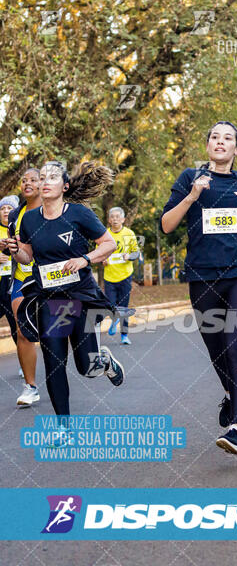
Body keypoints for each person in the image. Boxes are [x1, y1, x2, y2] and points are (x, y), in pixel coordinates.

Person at [161, 121, 237, 455]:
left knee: (234, 345)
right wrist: (193, 196)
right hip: (201, 275)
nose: (220, 142)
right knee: (216, 351)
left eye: (227, 138)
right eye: (214, 137)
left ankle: (235, 428)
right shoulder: (189, 178)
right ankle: (229, 393)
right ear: (208, 145)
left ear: (236, 149)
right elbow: (167, 225)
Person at [7, 160, 125, 426]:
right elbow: (27, 258)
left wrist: (85, 259)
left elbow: (109, 244)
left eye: (52, 178)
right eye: (42, 178)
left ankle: (104, 361)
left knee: (87, 367)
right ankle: (63, 426)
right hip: (50, 300)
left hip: (80, 298)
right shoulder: (29, 219)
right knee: (54, 363)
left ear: (65, 186)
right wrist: (15, 249)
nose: (45, 182)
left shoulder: (78, 215)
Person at [3, 169, 42, 406]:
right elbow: (14, 248)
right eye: (24, 180)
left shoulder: (53, 209)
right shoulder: (15, 215)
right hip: (22, 279)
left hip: (51, 280)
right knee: (22, 331)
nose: (27, 183)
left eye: (33, 180)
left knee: (55, 334)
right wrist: (6, 247)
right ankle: (30, 387)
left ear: (42, 184)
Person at [103, 207, 140, 345]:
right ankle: (114, 319)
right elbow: (99, 252)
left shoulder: (129, 234)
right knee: (110, 305)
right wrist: (103, 259)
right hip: (109, 277)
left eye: (118, 217)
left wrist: (129, 255)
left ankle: (124, 336)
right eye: (112, 217)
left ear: (123, 219)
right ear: (109, 220)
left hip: (125, 276)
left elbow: (136, 253)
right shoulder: (104, 234)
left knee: (124, 307)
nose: (115, 219)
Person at [0, 196, 19, 357]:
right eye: (2, 208)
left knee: (16, 325)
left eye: (9, 208)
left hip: (14, 283)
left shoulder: (21, 227)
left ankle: (23, 361)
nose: (6, 211)